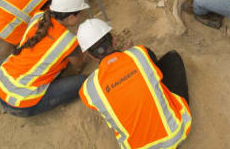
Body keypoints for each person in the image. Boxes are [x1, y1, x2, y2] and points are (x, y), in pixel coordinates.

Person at [78, 18, 192, 148]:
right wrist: (128, 55)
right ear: (113, 39)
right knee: (172, 58)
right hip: (174, 134)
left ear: (90, 55)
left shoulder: (88, 89)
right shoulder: (140, 52)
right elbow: (152, 62)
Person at [0, 0, 89, 117]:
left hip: (0, 84)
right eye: (80, 14)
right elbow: (79, 66)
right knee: (82, 81)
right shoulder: (68, 41)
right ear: (72, 17)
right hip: (21, 104)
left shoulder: (38, 16)